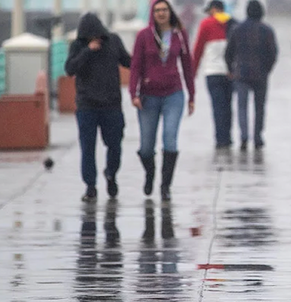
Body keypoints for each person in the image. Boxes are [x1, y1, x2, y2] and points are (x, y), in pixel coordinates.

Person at [130, 0, 195, 201]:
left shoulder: (179, 34)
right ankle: (150, 173)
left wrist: (192, 95)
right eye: (157, 10)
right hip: (148, 96)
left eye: (164, 10)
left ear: (170, 12)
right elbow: (135, 66)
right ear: (153, 13)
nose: (161, 13)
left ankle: (166, 186)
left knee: (170, 139)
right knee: (146, 146)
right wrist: (134, 93)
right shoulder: (144, 36)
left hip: (173, 94)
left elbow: (187, 65)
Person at [64, 13, 131, 202]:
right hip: (87, 106)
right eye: (89, 36)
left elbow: (128, 61)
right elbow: (69, 69)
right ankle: (90, 186)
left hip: (111, 104)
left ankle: (111, 174)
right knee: (88, 148)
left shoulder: (114, 41)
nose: (94, 39)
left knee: (115, 145)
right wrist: (87, 51)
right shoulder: (78, 46)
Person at [224, 0, 277, 151]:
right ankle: (258, 136)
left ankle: (244, 136)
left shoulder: (237, 29)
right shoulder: (267, 30)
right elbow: (273, 53)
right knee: (259, 107)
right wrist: (267, 69)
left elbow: (229, 52)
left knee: (242, 107)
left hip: (241, 74)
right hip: (261, 74)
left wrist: (231, 69)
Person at [193, 0, 236, 149]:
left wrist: (192, 71)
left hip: (212, 72)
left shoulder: (206, 24)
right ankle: (228, 137)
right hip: (230, 72)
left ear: (213, 9)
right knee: (228, 106)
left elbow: (198, 48)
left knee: (218, 107)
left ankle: (220, 139)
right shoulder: (232, 23)